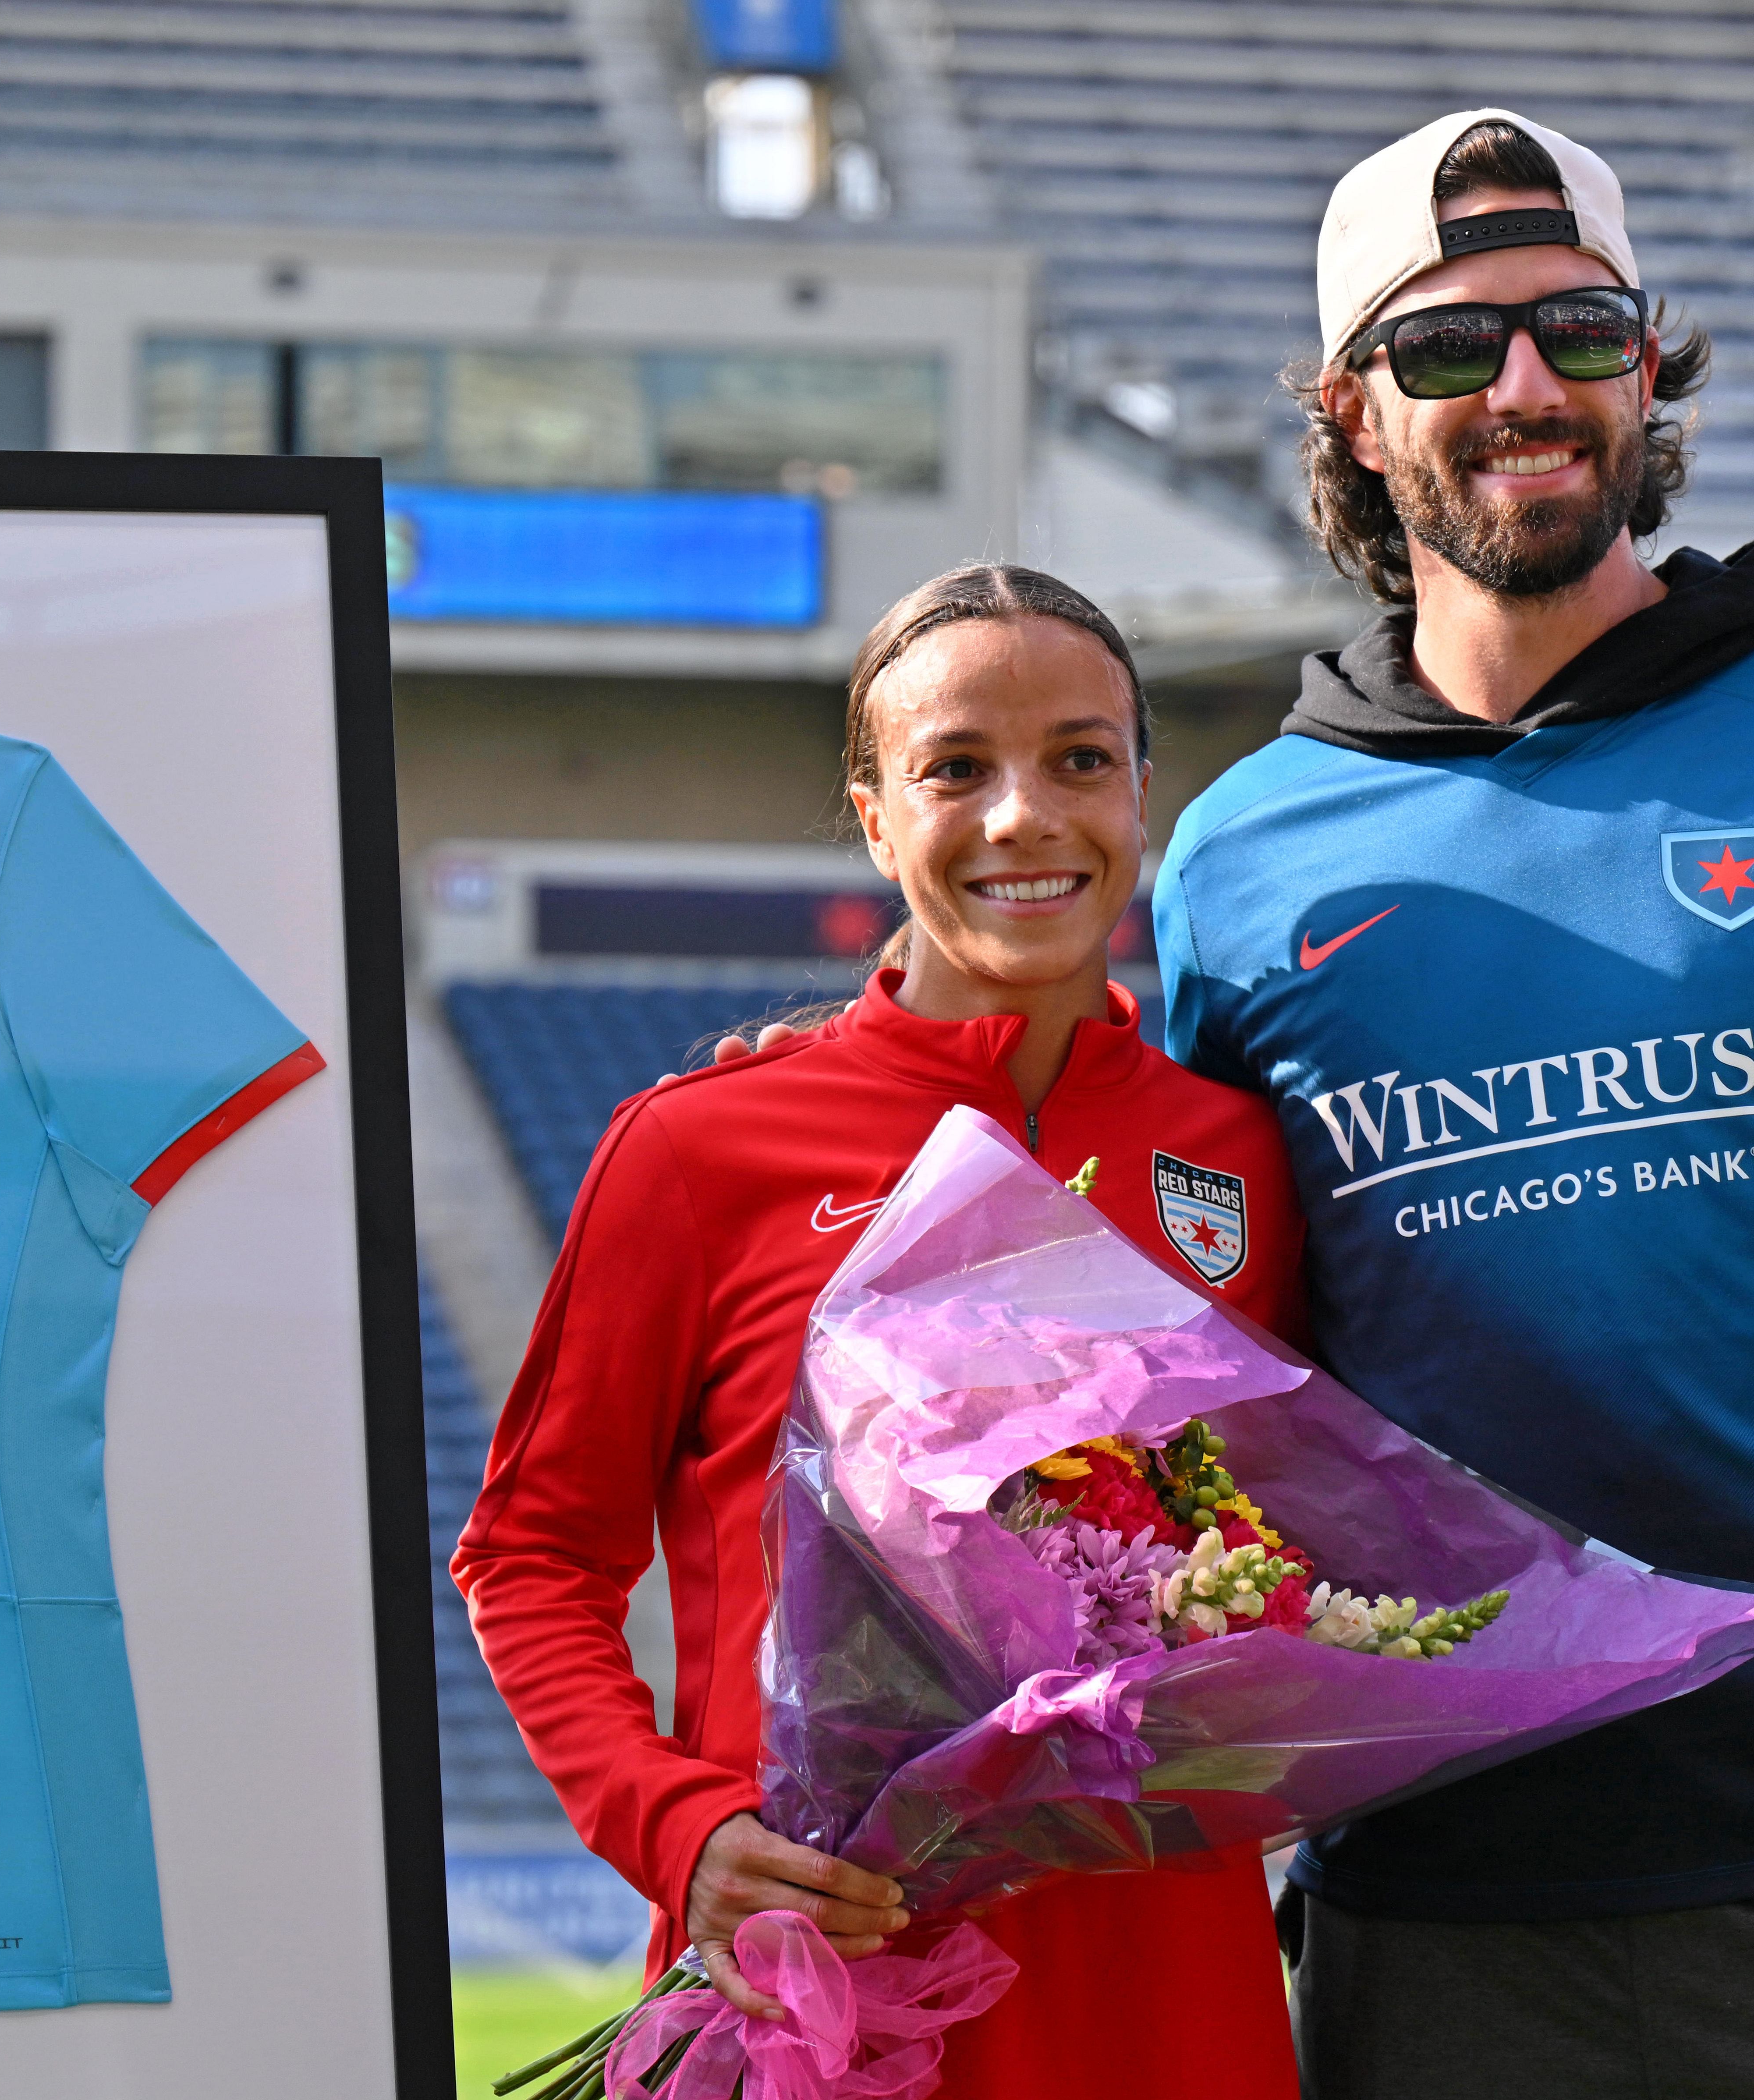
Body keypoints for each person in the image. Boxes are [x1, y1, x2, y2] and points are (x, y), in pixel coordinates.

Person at [1152, 110, 1754, 2098]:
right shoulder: (1232, 857)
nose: (1524, 388)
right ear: (1355, 413)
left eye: (1579, 329)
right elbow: (1197, 1357)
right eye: (1450, 350)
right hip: (1430, 1901)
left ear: (1646, 365)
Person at [453, 564, 1302, 2099]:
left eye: (1079, 759)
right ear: (872, 813)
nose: (1024, 817)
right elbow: (530, 1558)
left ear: (1142, 791)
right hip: (826, 1983)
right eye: (956, 768)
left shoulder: (1238, 1151)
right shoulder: (701, 1147)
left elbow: (1308, 1527)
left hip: (1167, 1990)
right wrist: (678, 1826)